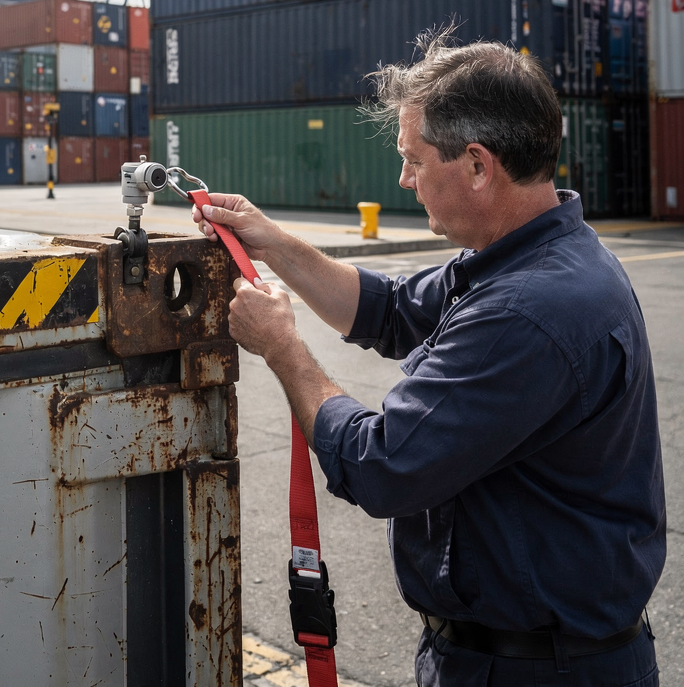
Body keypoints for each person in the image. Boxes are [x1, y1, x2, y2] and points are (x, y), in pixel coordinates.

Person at [192, 35, 665, 686]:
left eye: (414, 160)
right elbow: (385, 311)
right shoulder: (528, 254)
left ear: (476, 164)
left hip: (537, 670)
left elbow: (381, 466)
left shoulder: (529, 308)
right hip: (515, 655)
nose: (404, 180)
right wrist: (272, 242)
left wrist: (283, 349)